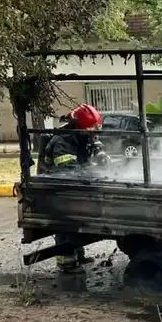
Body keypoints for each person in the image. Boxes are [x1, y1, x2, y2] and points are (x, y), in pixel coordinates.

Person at [40, 104, 110, 272]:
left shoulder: (82, 135)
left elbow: (93, 146)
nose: (93, 134)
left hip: (72, 186)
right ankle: (67, 264)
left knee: (77, 223)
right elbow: (69, 171)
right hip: (57, 188)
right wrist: (93, 171)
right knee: (66, 225)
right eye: (90, 131)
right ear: (78, 127)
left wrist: (102, 157)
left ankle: (78, 257)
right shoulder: (62, 142)